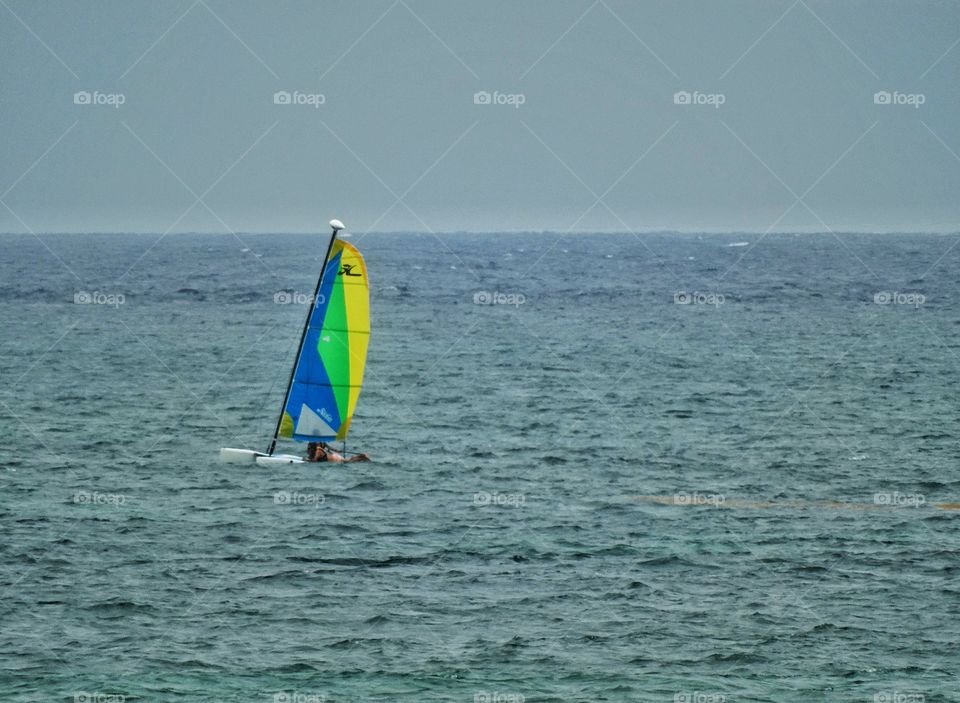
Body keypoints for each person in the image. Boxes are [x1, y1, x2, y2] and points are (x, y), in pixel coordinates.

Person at [305, 441, 370, 463]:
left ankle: (362, 457)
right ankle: (361, 457)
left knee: (349, 461)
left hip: (334, 458)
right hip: (333, 456)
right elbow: (331, 448)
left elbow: (314, 460)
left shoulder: (318, 451)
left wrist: (306, 460)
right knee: (348, 460)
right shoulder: (322, 443)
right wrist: (337, 451)